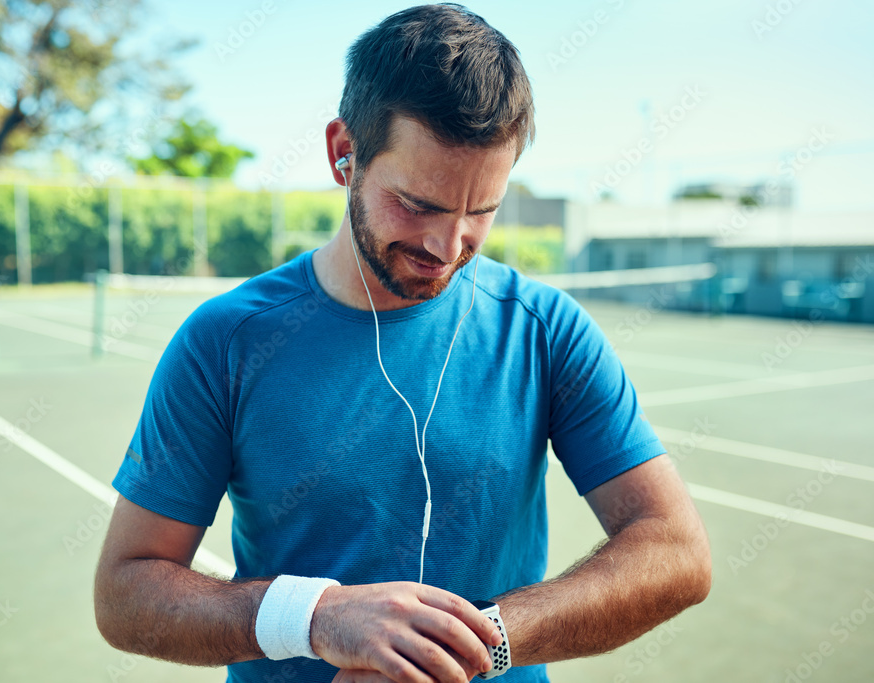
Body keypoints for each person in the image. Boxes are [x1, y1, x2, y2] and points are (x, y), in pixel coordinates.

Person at [94, 4, 712, 683]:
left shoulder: (545, 330)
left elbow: (676, 550)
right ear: (342, 153)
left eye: (480, 210)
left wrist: (472, 645)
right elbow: (126, 592)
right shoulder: (225, 341)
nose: (448, 248)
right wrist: (316, 617)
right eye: (418, 204)